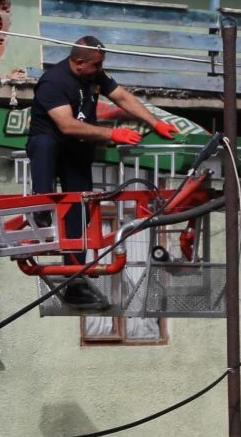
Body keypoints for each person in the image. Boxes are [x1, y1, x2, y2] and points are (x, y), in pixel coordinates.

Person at [27, 37, 179, 309]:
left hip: (77, 151)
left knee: (80, 213)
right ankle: (40, 206)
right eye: (96, 64)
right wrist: (113, 134)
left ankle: (74, 281)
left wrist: (155, 123)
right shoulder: (54, 82)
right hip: (52, 146)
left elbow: (121, 96)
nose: (101, 68)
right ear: (79, 62)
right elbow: (67, 126)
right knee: (45, 146)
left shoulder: (94, 73)